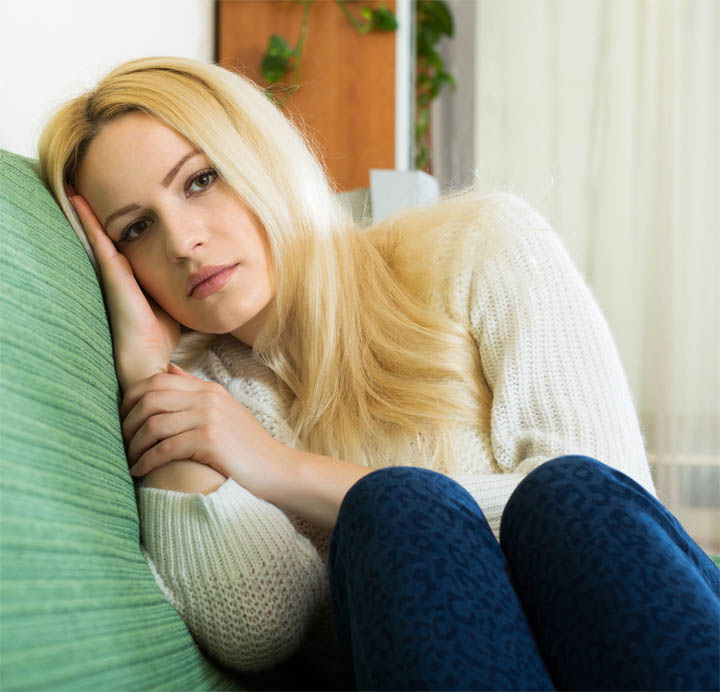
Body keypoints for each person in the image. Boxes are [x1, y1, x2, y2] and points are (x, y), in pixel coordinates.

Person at [38, 56, 719, 691]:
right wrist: (148, 374)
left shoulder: (482, 246)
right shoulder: (214, 400)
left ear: (260, 157)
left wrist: (284, 471)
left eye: (200, 180)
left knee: (550, 493)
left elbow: (615, 510)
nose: (183, 242)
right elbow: (257, 630)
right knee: (393, 514)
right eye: (136, 230)